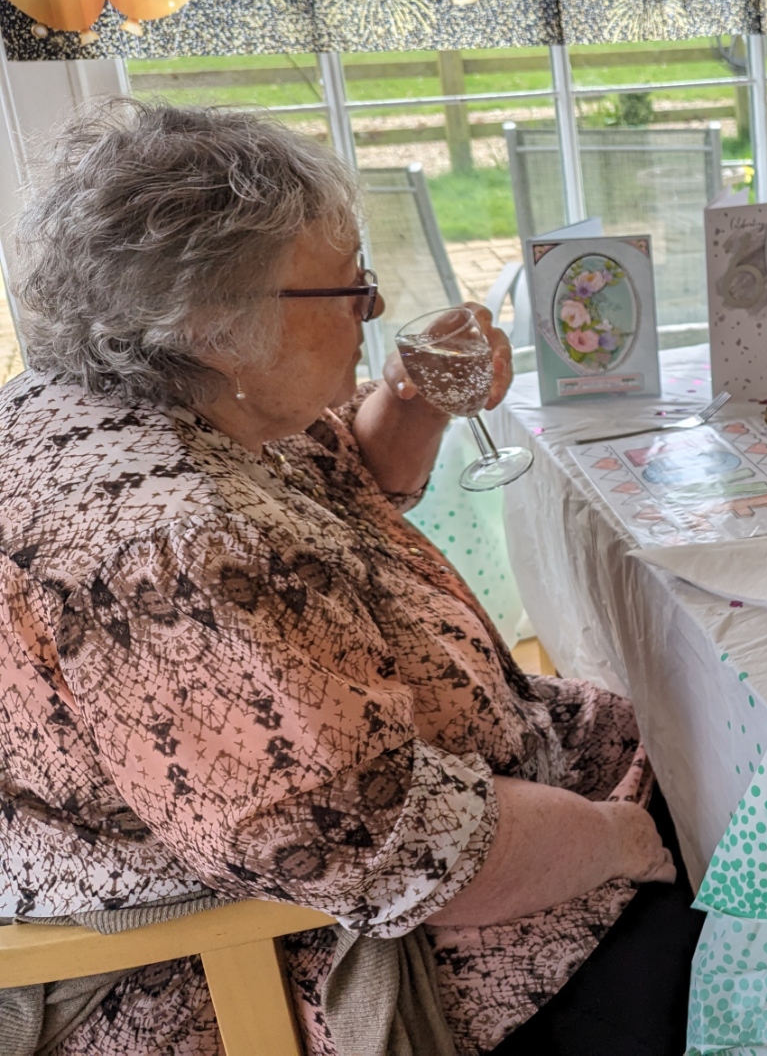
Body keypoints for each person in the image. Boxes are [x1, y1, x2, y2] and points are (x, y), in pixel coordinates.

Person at [0, 101, 701, 1055]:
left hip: (483, 804)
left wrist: (412, 397)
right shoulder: (167, 561)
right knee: (748, 879)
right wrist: (626, 843)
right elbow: (392, 855)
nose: (373, 312)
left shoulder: (155, 397)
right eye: (349, 293)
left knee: (717, 748)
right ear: (215, 319)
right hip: (332, 955)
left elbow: (338, 491)